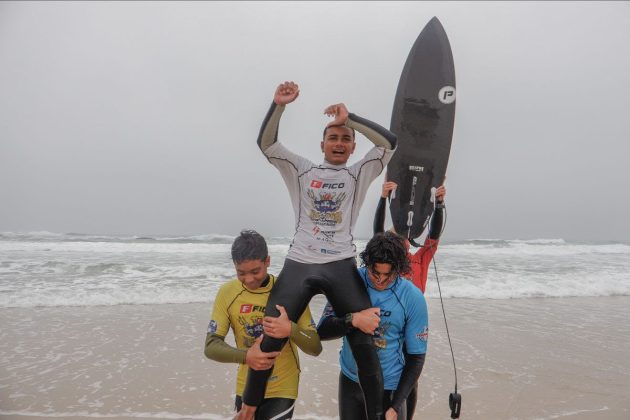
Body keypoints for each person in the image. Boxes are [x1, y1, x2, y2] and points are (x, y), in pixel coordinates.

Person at [241, 81, 398, 420]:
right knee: (270, 334)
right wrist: (278, 105)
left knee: (364, 338)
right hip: (300, 261)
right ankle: (249, 408)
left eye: (346, 138)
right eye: (333, 137)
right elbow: (266, 144)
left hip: (340, 263)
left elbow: (389, 143)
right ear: (322, 144)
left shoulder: (359, 174)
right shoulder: (301, 170)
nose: (339, 143)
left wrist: (350, 118)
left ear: (354, 146)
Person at [204, 230, 322, 420]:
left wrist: (290, 329)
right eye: (241, 273)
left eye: (255, 271)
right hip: (246, 385)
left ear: (267, 261)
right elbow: (210, 347)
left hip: (283, 387)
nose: (249, 279)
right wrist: (247, 356)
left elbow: (315, 347)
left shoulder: (288, 292)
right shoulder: (227, 293)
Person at [317, 231, 429, 420]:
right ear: (366, 263)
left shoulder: (412, 297)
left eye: (388, 275)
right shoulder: (351, 284)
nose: (380, 280)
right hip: (350, 381)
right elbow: (322, 331)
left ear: (399, 268)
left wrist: (396, 404)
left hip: (389, 387)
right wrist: (353, 320)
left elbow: (416, 357)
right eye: (375, 272)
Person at [374, 181, 446, 419]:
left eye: (403, 237)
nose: (402, 239)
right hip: (390, 324)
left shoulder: (421, 259)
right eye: (397, 237)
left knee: (411, 377)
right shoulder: (388, 262)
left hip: (412, 325)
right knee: (385, 374)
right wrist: (383, 198)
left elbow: (434, 234)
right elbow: (377, 232)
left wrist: (440, 204)